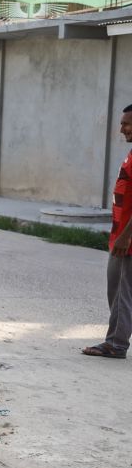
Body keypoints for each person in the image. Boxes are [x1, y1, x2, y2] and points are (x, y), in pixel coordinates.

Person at [83, 104, 132, 359]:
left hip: (128, 239)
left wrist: (126, 235)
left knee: (122, 292)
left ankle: (116, 343)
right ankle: (116, 340)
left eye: (126, 124)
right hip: (121, 235)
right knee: (118, 290)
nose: (122, 128)